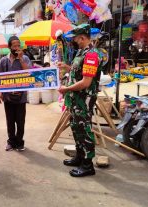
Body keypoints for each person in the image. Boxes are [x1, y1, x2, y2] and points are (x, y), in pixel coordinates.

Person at [57, 24, 102, 177]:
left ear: (82, 37)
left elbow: (86, 82)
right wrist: (67, 67)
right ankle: (80, 157)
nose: (74, 41)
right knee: (76, 127)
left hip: (84, 100)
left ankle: (88, 164)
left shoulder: (92, 55)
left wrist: (66, 89)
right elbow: (78, 72)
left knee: (85, 130)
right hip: (75, 100)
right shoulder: (81, 52)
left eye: (76, 38)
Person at [0, 36, 32, 152]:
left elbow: (29, 73)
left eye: (19, 46)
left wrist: (21, 59)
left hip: (21, 96)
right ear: (9, 47)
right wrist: (0, 93)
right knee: (10, 120)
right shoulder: (3, 60)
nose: (17, 48)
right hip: (8, 97)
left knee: (20, 121)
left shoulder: (25, 58)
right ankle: (11, 142)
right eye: (14, 46)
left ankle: (19, 142)